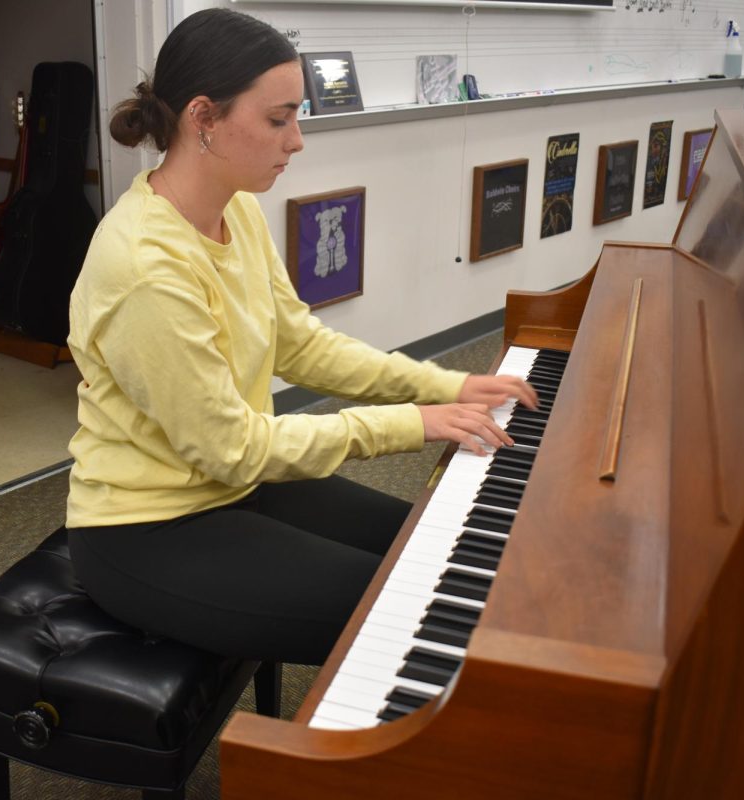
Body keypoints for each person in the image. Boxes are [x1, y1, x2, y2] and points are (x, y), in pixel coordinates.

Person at [65, 8, 536, 667]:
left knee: (432, 548)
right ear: (203, 117)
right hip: (146, 526)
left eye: (298, 116)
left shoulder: (237, 211)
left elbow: (302, 346)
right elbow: (233, 447)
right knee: (417, 607)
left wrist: (448, 384)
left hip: (232, 482)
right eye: (278, 118)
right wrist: (413, 423)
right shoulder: (145, 265)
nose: (298, 141)